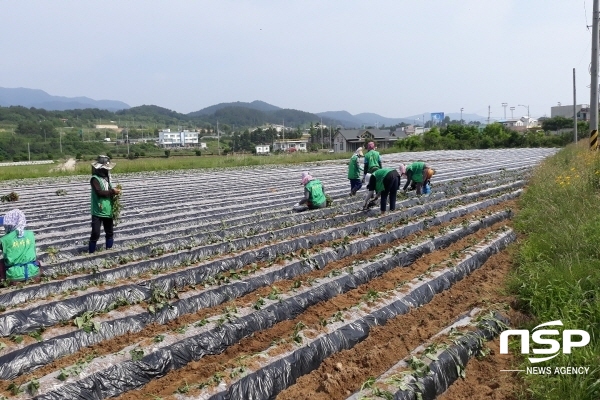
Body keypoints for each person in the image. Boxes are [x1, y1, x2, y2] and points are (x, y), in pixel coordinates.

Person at [89, 155, 121, 253]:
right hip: (98, 211)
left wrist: (115, 192)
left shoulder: (107, 178)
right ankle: (91, 252)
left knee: (109, 232)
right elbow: (99, 192)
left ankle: (109, 251)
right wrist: (113, 192)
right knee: (95, 233)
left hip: (108, 209)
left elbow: (109, 190)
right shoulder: (94, 179)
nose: (107, 171)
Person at [0, 209, 41, 284]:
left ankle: (3, 281)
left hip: (14, 276)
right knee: (33, 256)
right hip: (34, 273)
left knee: (2, 261)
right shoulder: (31, 234)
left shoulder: (4, 239)